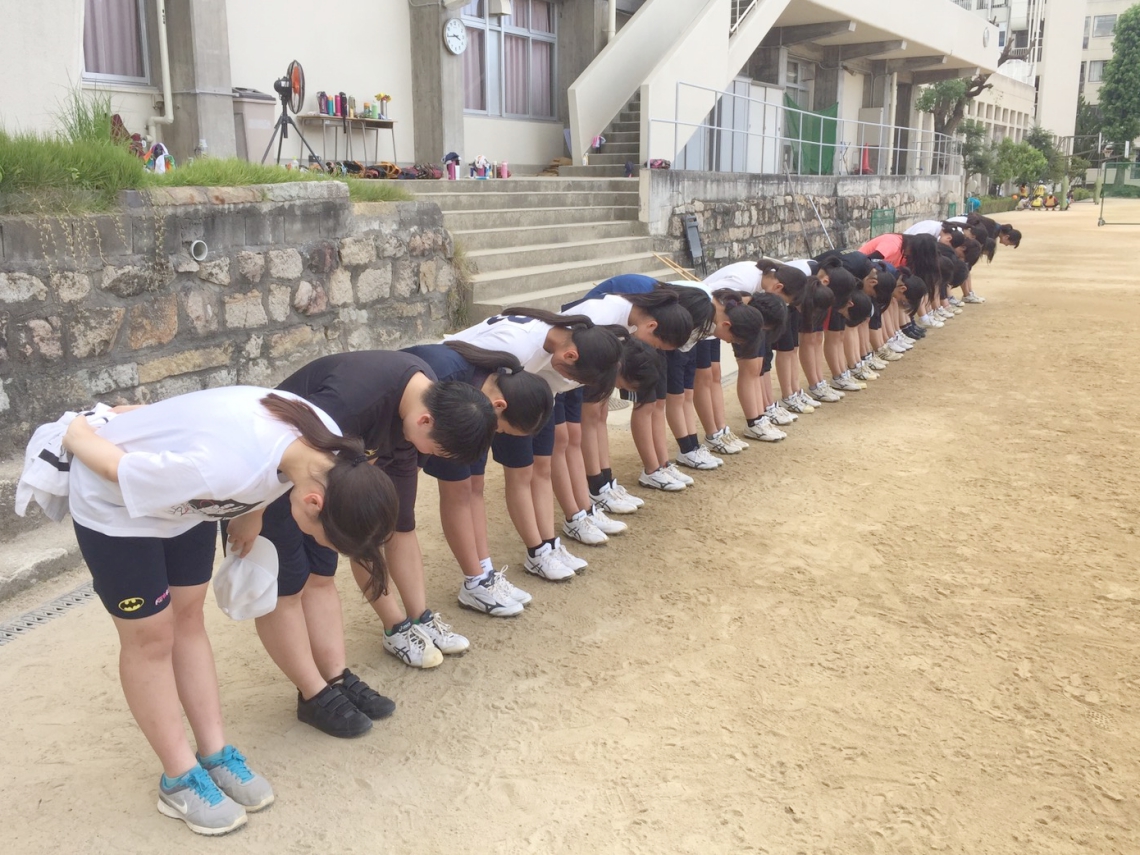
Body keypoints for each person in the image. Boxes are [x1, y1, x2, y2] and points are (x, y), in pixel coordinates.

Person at [60, 386, 396, 835]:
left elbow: (215, 417)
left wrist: (251, 511)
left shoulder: (330, 449)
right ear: (315, 503)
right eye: (321, 538)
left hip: (190, 504)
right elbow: (115, 467)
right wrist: (75, 431)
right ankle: (178, 778)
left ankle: (214, 753)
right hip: (116, 501)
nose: (316, 544)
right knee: (151, 636)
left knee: (188, 617)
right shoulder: (226, 467)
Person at [236, 351, 498, 716]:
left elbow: (365, 456)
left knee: (321, 575)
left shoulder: (421, 395)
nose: (426, 455)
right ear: (425, 421)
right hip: (270, 481)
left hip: (326, 483)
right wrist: (252, 511)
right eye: (433, 449)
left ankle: (335, 678)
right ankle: (312, 695)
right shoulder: (351, 401)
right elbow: (270, 443)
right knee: (285, 588)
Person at [445, 309, 628, 581]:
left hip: (526, 399)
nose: (574, 384)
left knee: (539, 467)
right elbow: (470, 378)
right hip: (478, 402)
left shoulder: (560, 340)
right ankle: (526, 556)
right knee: (478, 484)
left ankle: (548, 546)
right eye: (577, 380)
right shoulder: (517, 347)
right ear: (570, 356)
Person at [404, 340, 553, 618]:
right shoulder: (447, 383)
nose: (500, 436)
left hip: (462, 417)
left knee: (474, 486)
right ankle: (474, 582)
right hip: (433, 419)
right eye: (504, 431)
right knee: (457, 491)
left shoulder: (491, 382)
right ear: (499, 406)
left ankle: (485, 572)